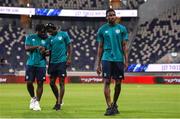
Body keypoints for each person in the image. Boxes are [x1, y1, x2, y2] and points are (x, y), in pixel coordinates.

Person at [96, 8, 128, 116]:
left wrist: (126, 60)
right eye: (109, 15)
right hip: (106, 58)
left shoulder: (122, 29)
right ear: (106, 17)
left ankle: (114, 104)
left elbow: (124, 45)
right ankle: (109, 106)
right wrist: (98, 64)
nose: (111, 16)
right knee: (107, 82)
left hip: (118, 59)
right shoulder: (102, 30)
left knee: (118, 83)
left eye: (113, 15)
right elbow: (100, 47)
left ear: (115, 16)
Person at [45, 23, 72, 111]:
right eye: (48, 31)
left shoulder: (64, 34)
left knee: (61, 83)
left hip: (62, 62)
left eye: (50, 30)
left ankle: (59, 103)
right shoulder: (49, 39)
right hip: (52, 63)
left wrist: (69, 58)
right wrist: (44, 51)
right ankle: (58, 99)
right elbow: (48, 51)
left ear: (54, 28)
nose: (49, 32)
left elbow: (69, 46)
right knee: (52, 83)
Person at [25, 24, 48, 111]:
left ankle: (37, 102)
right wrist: (37, 46)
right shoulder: (30, 37)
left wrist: (45, 51)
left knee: (40, 83)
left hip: (41, 64)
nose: (43, 33)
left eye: (44, 31)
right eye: (42, 31)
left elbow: (48, 52)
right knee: (29, 83)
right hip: (31, 63)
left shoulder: (46, 39)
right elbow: (26, 48)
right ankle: (33, 98)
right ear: (37, 31)